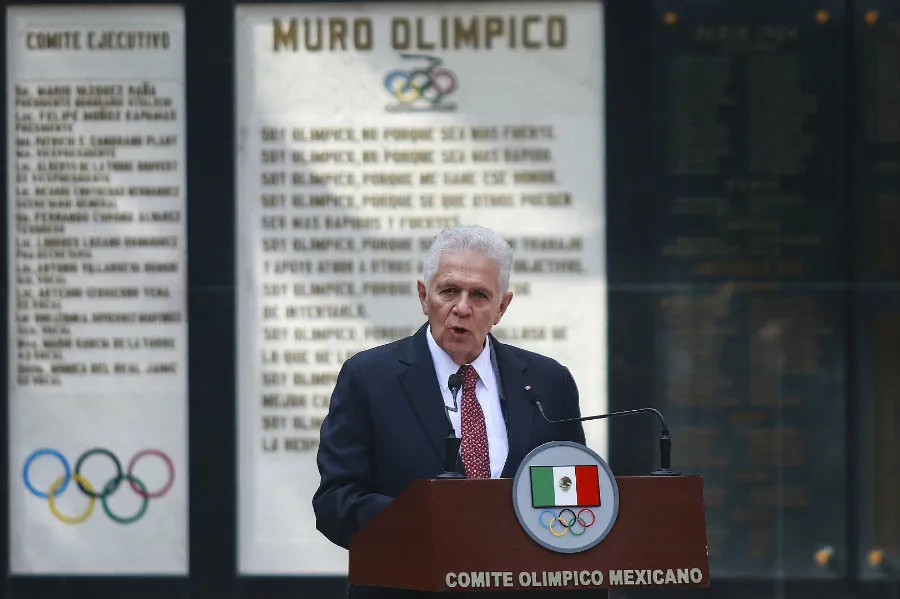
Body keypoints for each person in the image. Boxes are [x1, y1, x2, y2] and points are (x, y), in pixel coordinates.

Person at [313, 224, 587, 598]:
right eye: (449, 291)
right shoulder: (370, 378)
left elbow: (571, 494)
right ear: (424, 296)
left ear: (502, 307)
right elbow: (336, 503)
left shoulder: (548, 383)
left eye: (479, 295)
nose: (462, 307)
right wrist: (430, 523)